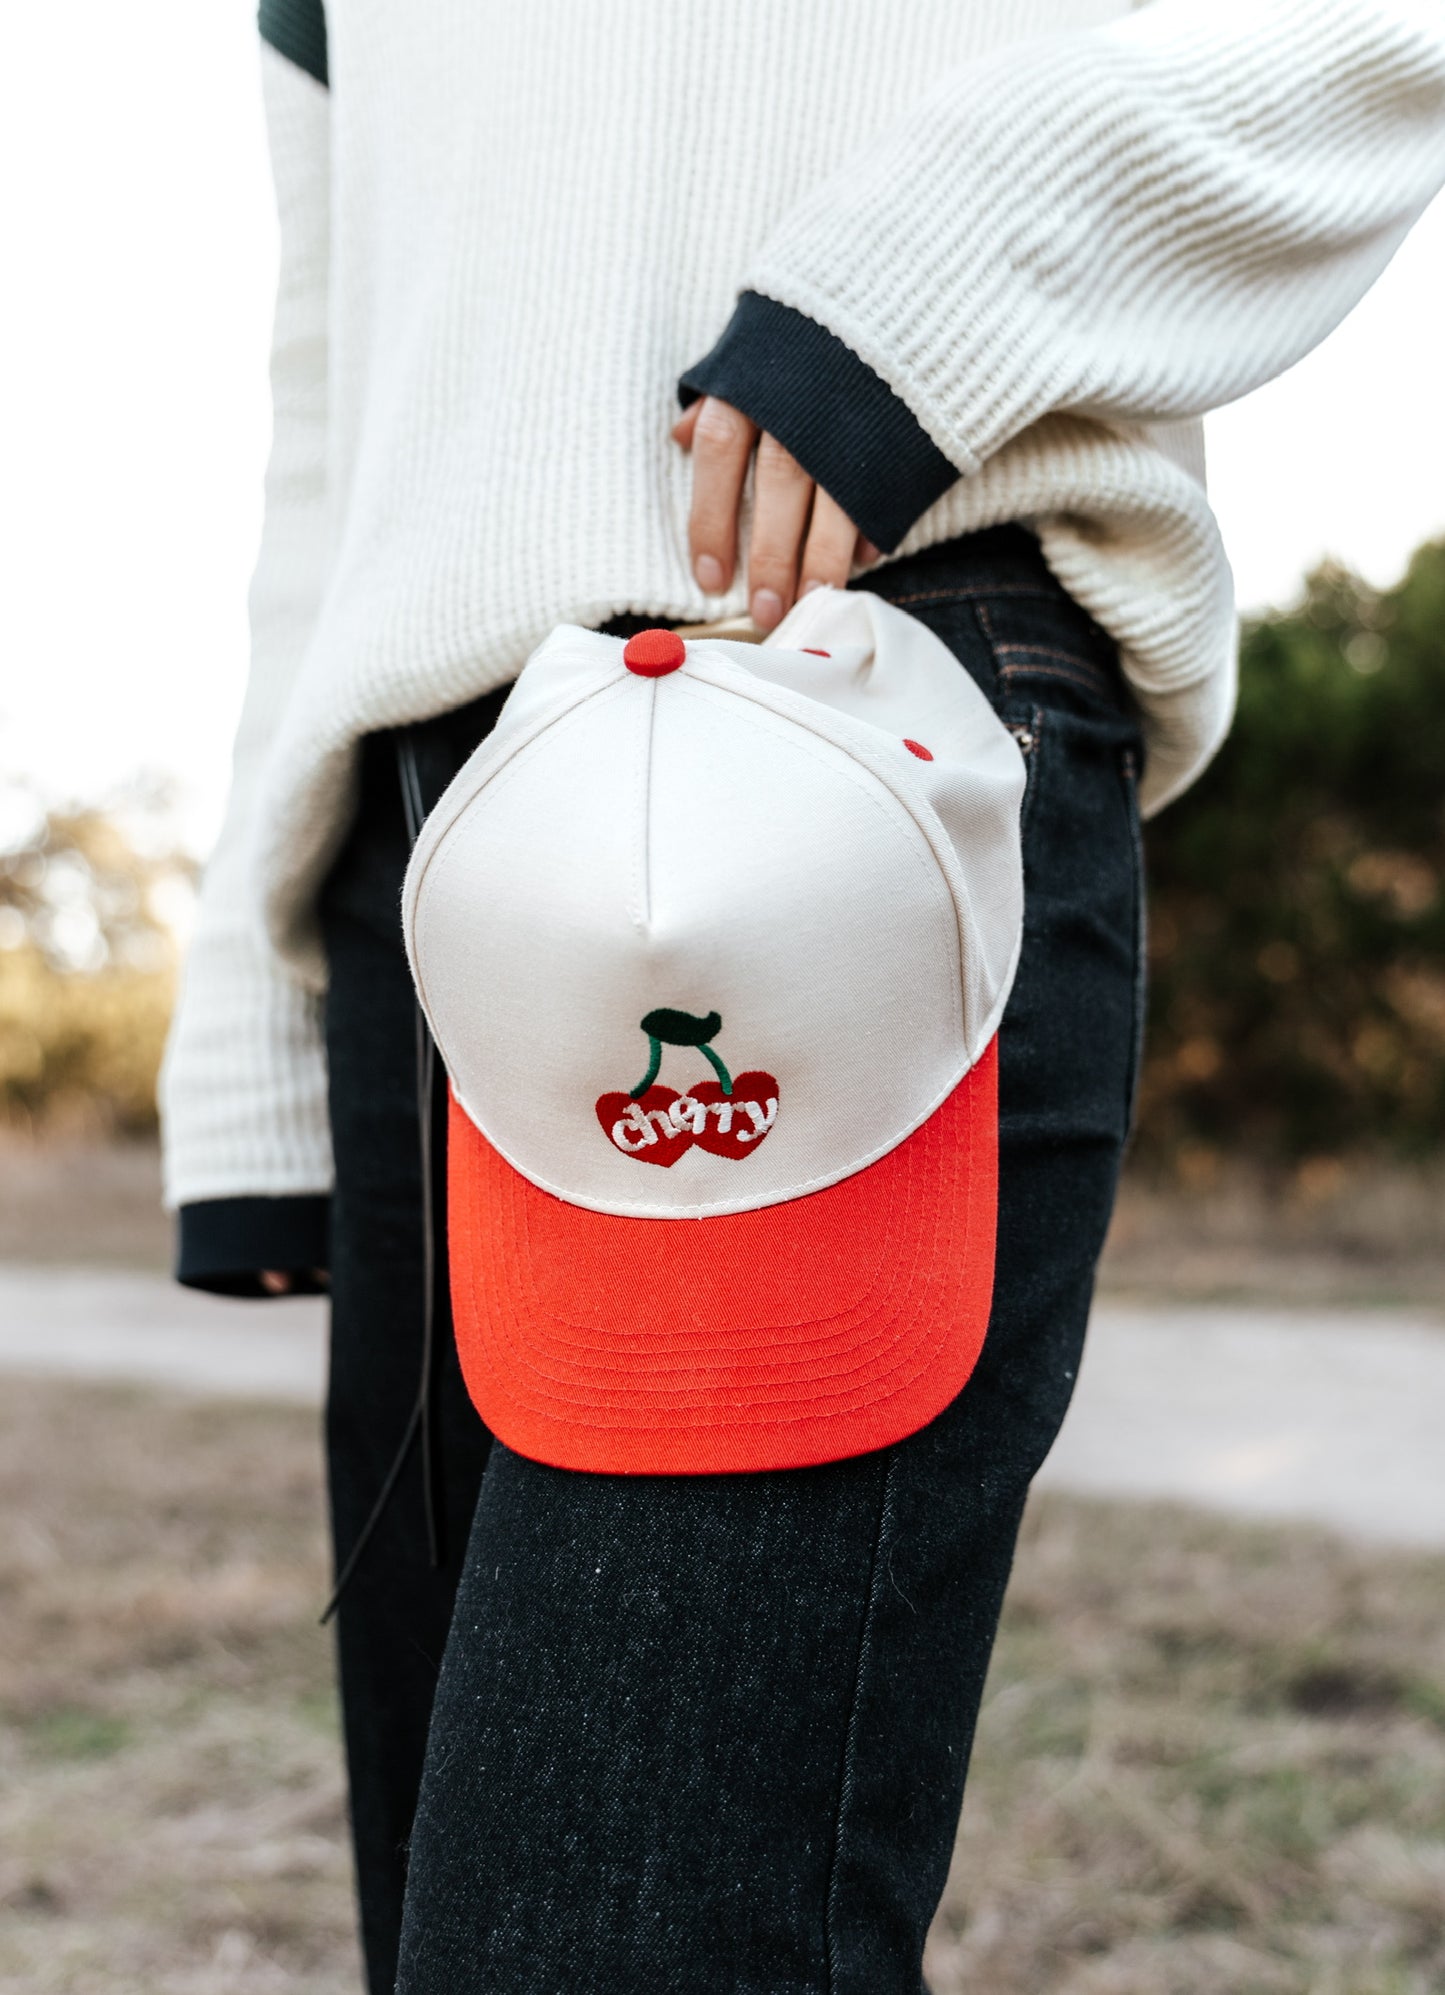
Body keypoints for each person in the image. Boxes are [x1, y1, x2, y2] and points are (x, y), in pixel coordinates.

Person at [160, 1, 1445, 1988]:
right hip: (423, 879)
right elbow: (334, 389)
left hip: (833, 738)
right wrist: (247, 1036)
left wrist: (953, 264)